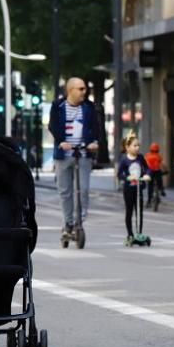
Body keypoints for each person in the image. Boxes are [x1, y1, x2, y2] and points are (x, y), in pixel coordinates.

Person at [49, 77, 99, 237]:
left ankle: (79, 221)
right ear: (70, 90)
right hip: (63, 154)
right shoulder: (58, 106)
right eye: (81, 89)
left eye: (85, 88)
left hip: (83, 154)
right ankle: (68, 223)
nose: (84, 91)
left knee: (83, 189)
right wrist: (62, 141)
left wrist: (94, 142)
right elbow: (53, 126)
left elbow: (96, 127)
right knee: (65, 191)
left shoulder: (89, 107)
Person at [117, 137, 151, 243]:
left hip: (139, 188)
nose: (137, 148)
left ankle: (139, 233)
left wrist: (147, 175)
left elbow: (148, 168)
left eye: (138, 145)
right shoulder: (124, 160)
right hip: (129, 189)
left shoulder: (140, 158)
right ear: (127, 147)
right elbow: (119, 174)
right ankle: (130, 234)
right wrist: (127, 177)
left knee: (139, 212)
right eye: (134, 146)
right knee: (129, 212)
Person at [144, 142, 166, 209]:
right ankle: (162, 190)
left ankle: (149, 201)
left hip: (150, 172)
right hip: (157, 171)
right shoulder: (158, 156)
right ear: (158, 149)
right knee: (160, 181)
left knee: (150, 186)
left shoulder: (147, 155)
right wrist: (166, 170)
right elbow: (162, 164)